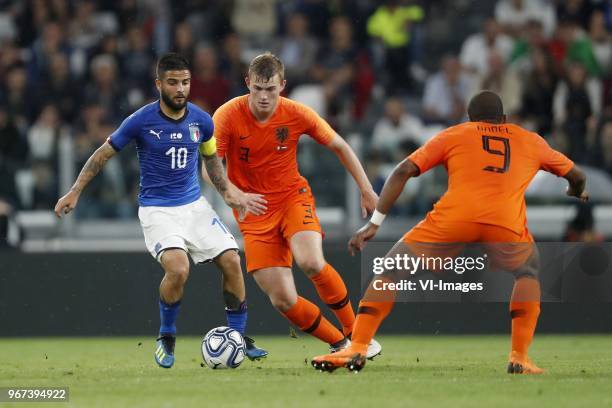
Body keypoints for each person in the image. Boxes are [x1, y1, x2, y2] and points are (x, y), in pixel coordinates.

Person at [311, 90, 589, 373]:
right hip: (504, 221)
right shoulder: (530, 140)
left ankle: (357, 347)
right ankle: (519, 356)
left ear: (469, 118)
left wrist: (375, 222)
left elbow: (404, 169)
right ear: (504, 119)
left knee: (390, 270)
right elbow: (577, 176)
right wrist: (575, 191)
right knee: (528, 270)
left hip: (455, 218)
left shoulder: (455, 134)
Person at [54, 53, 268, 369]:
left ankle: (237, 339)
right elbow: (102, 155)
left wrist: (228, 195)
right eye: (173, 82)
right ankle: (166, 338)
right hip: (158, 211)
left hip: (195, 206)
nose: (180, 88)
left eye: (185, 82)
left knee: (232, 260)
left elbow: (211, 161)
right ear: (159, 84)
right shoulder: (140, 121)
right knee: (179, 269)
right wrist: (75, 191)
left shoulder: (202, 120)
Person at [209, 52, 381, 357]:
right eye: (258, 89)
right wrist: (230, 193)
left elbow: (340, 145)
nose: (264, 97)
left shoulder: (297, 113)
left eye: (271, 89)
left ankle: (357, 335)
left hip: (291, 197)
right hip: (253, 210)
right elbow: (209, 167)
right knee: (283, 299)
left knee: (311, 262)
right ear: (247, 83)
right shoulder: (226, 115)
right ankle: (340, 344)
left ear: (282, 86)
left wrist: (366, 189)